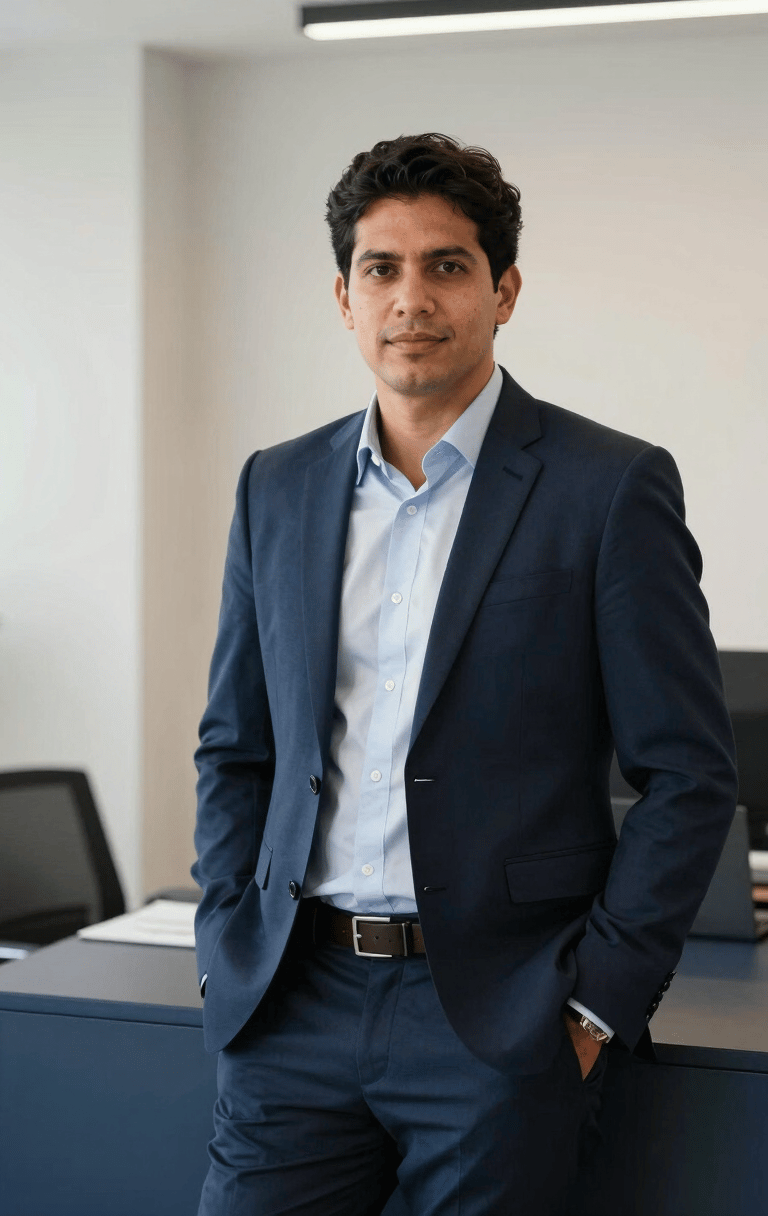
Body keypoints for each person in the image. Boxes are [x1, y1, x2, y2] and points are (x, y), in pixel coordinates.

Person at [191, 132, 737, 1216]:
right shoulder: (277, 487)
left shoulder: (608, 487)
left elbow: (688, 774)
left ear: (505, 290)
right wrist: (225, 944)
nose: (411, 299)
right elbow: (237, 745)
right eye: (380, 269)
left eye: (447, 265)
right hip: (295, 1002)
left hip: (500, 1021)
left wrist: (594, 1010)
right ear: (343, 297)